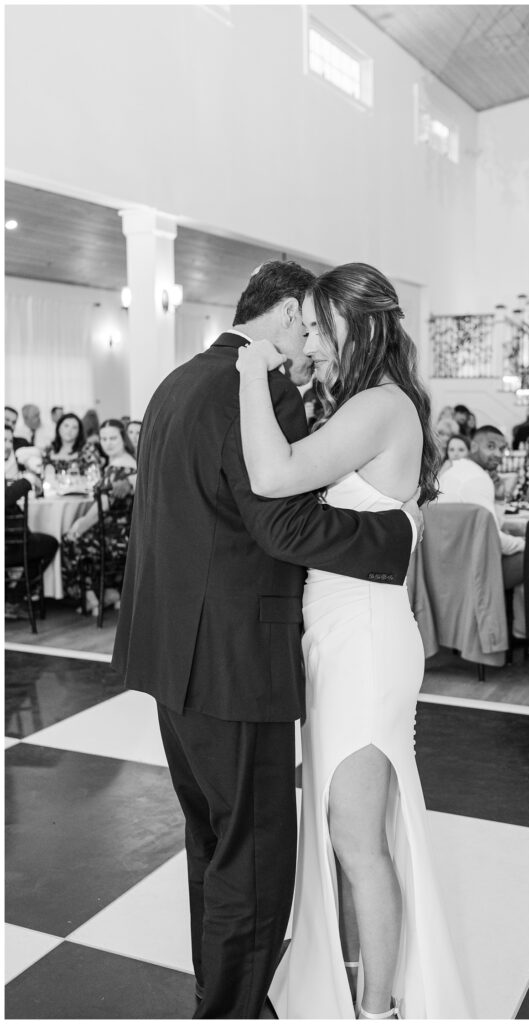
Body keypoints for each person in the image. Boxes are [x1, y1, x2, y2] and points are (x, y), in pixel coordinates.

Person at [111, 260, 422, 1021]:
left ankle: (218, 997)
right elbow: (280, 524)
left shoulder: (176, 382)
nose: (308, 338)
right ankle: (233, 1011)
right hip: (232, 662)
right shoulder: (257, 387)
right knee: (251, 859)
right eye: (306, 321)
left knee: (212, 845)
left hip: (172, 655)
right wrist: (394, 537)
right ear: (284, 311)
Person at [236, 262, 467, 1020]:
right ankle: (362, 990)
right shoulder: (375, 404)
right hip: (346, 636)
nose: (312, 344)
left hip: (362, 643)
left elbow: (272, 478)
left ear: (357, 327)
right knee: (351, 836)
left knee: (358, 842)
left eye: (320, 330)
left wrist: (248, 368)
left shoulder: (377, 406)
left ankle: (377, 1011)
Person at [60, 419, 136, 616]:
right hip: (127, 534)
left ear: (123, 439)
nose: (108, 443)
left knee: (70, 540)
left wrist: (79, 527)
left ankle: (91, 598)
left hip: (116, 538)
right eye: (104, 439)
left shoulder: (117, 468)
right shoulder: (131, 463)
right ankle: (107, 592)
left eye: (113, 438)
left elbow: (101, 509)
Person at [439, 425, 525, 589]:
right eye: (491, 447)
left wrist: (499, 498)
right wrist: (524, 542)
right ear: (473, 447)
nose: (498, 455)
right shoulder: (477, 478)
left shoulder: (455, 470)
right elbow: (493, 538)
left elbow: (491, 528)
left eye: (502, 449)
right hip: (466, 570)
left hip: (445, 560)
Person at [5, 467, 59, 619]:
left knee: (39, 544)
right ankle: (12, 599)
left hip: (12, 543)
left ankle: (11, 598)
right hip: (8, 547)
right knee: (49, 544)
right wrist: (27, 480)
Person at [43, 412, 102, 478]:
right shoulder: (49, 450)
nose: (69, 430)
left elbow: (95, 475)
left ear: (79, 431)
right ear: (59, 428)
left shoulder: (88, 449)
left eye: (74, 427)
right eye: (66, 426)